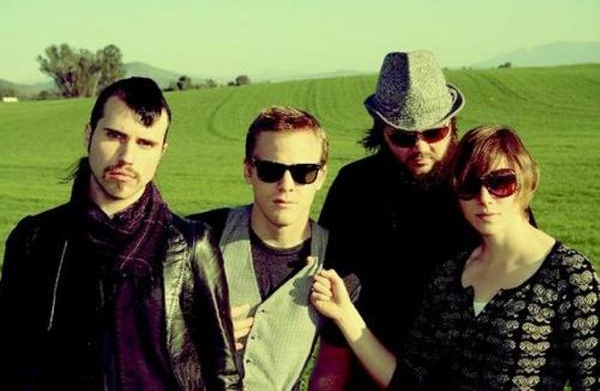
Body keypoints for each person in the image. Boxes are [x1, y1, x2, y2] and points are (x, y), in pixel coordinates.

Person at [311, 125, 600, 390]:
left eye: (500, 183)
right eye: (469, 186)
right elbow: (409, 383)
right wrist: (346, 314)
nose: (485, 198)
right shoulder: (449, 277)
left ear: (528, 182)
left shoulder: (570, 276)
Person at [0, 77, 241, 390]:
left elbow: (224, 374)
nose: (127, 156)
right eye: (114, 135)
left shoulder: (191, 245)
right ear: (89, 135)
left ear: (162, 152)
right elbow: (10, 356)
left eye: (145, 143)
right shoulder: (35, 239)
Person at [311, 50, 477, 389]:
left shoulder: (480, 185)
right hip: (368, 372)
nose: (421, 148)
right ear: (381, 131)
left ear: (452, 126)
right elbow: (336, 306)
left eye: (434, 132)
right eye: (403, 136)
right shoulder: (355, 187)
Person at [188, 106, 330, 390]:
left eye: (304, 172)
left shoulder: (338, 258)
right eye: (270, 170)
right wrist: (192, 340)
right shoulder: (198, 238)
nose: (286, 185)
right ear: (248, 170)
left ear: (321, 176)